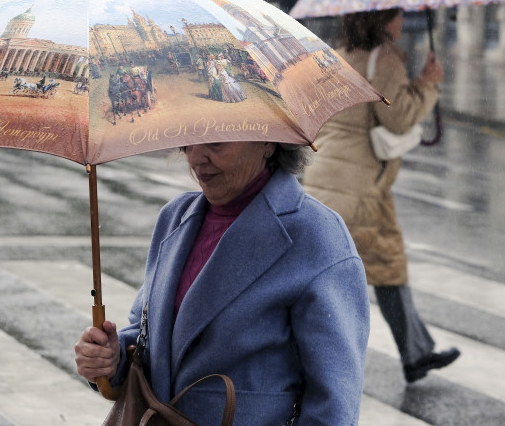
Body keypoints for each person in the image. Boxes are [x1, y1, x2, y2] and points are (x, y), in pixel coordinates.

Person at [75, 141, 370, 424]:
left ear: (268, 142)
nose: (196, 158)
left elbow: (334, 401)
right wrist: (111, 359)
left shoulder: (317, 235)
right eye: (191, 140)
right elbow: (147, 338)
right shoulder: (175, 217)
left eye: (217, 143)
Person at [301, 8, 460, 384]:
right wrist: (428, 83)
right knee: (358, 275)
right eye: (397, 14)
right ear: (383, 20)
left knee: (357, 270)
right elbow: (399, 117)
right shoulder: (384, 59)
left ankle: (416, 352)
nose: (402, 20)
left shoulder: (339, 54)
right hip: (360, 186)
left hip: (326, 176)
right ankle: (320, 366)